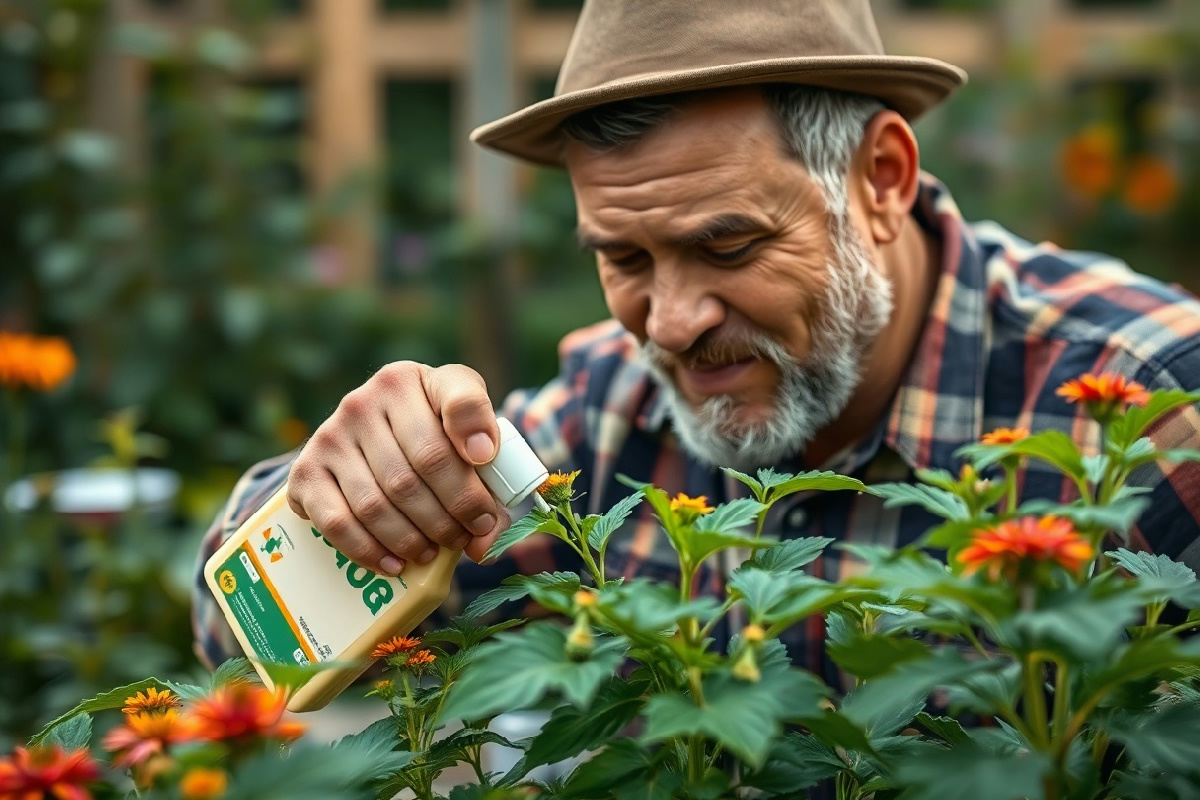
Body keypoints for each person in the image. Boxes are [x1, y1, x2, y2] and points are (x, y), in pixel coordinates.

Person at [192, 0, 1200, 681]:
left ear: (882, 179)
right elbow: (235, 645)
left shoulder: (1154, 407)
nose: (669, 324)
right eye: (623, 256)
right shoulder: (606, 414)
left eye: (727, 242)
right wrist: (341, 497)